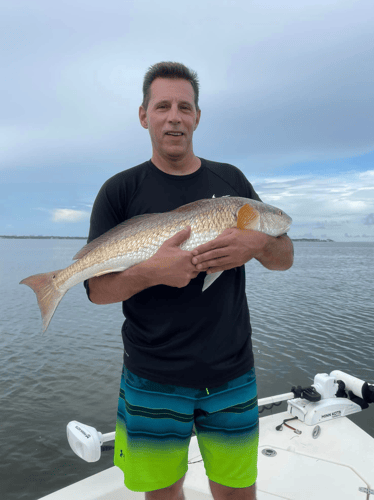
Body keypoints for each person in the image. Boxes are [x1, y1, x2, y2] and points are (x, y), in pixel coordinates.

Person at [84, 61, 294, 500]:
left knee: (238, 491)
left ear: (197, 116)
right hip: (150, 376)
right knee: (162, 494)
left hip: (231, 373)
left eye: (185, 106)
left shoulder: (232, 182)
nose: (174, 116)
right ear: (144, 115)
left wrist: (253, 245)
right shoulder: (119, 191)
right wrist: (147, 273)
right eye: (162, 106)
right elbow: (97, 291)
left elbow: (284, 257)